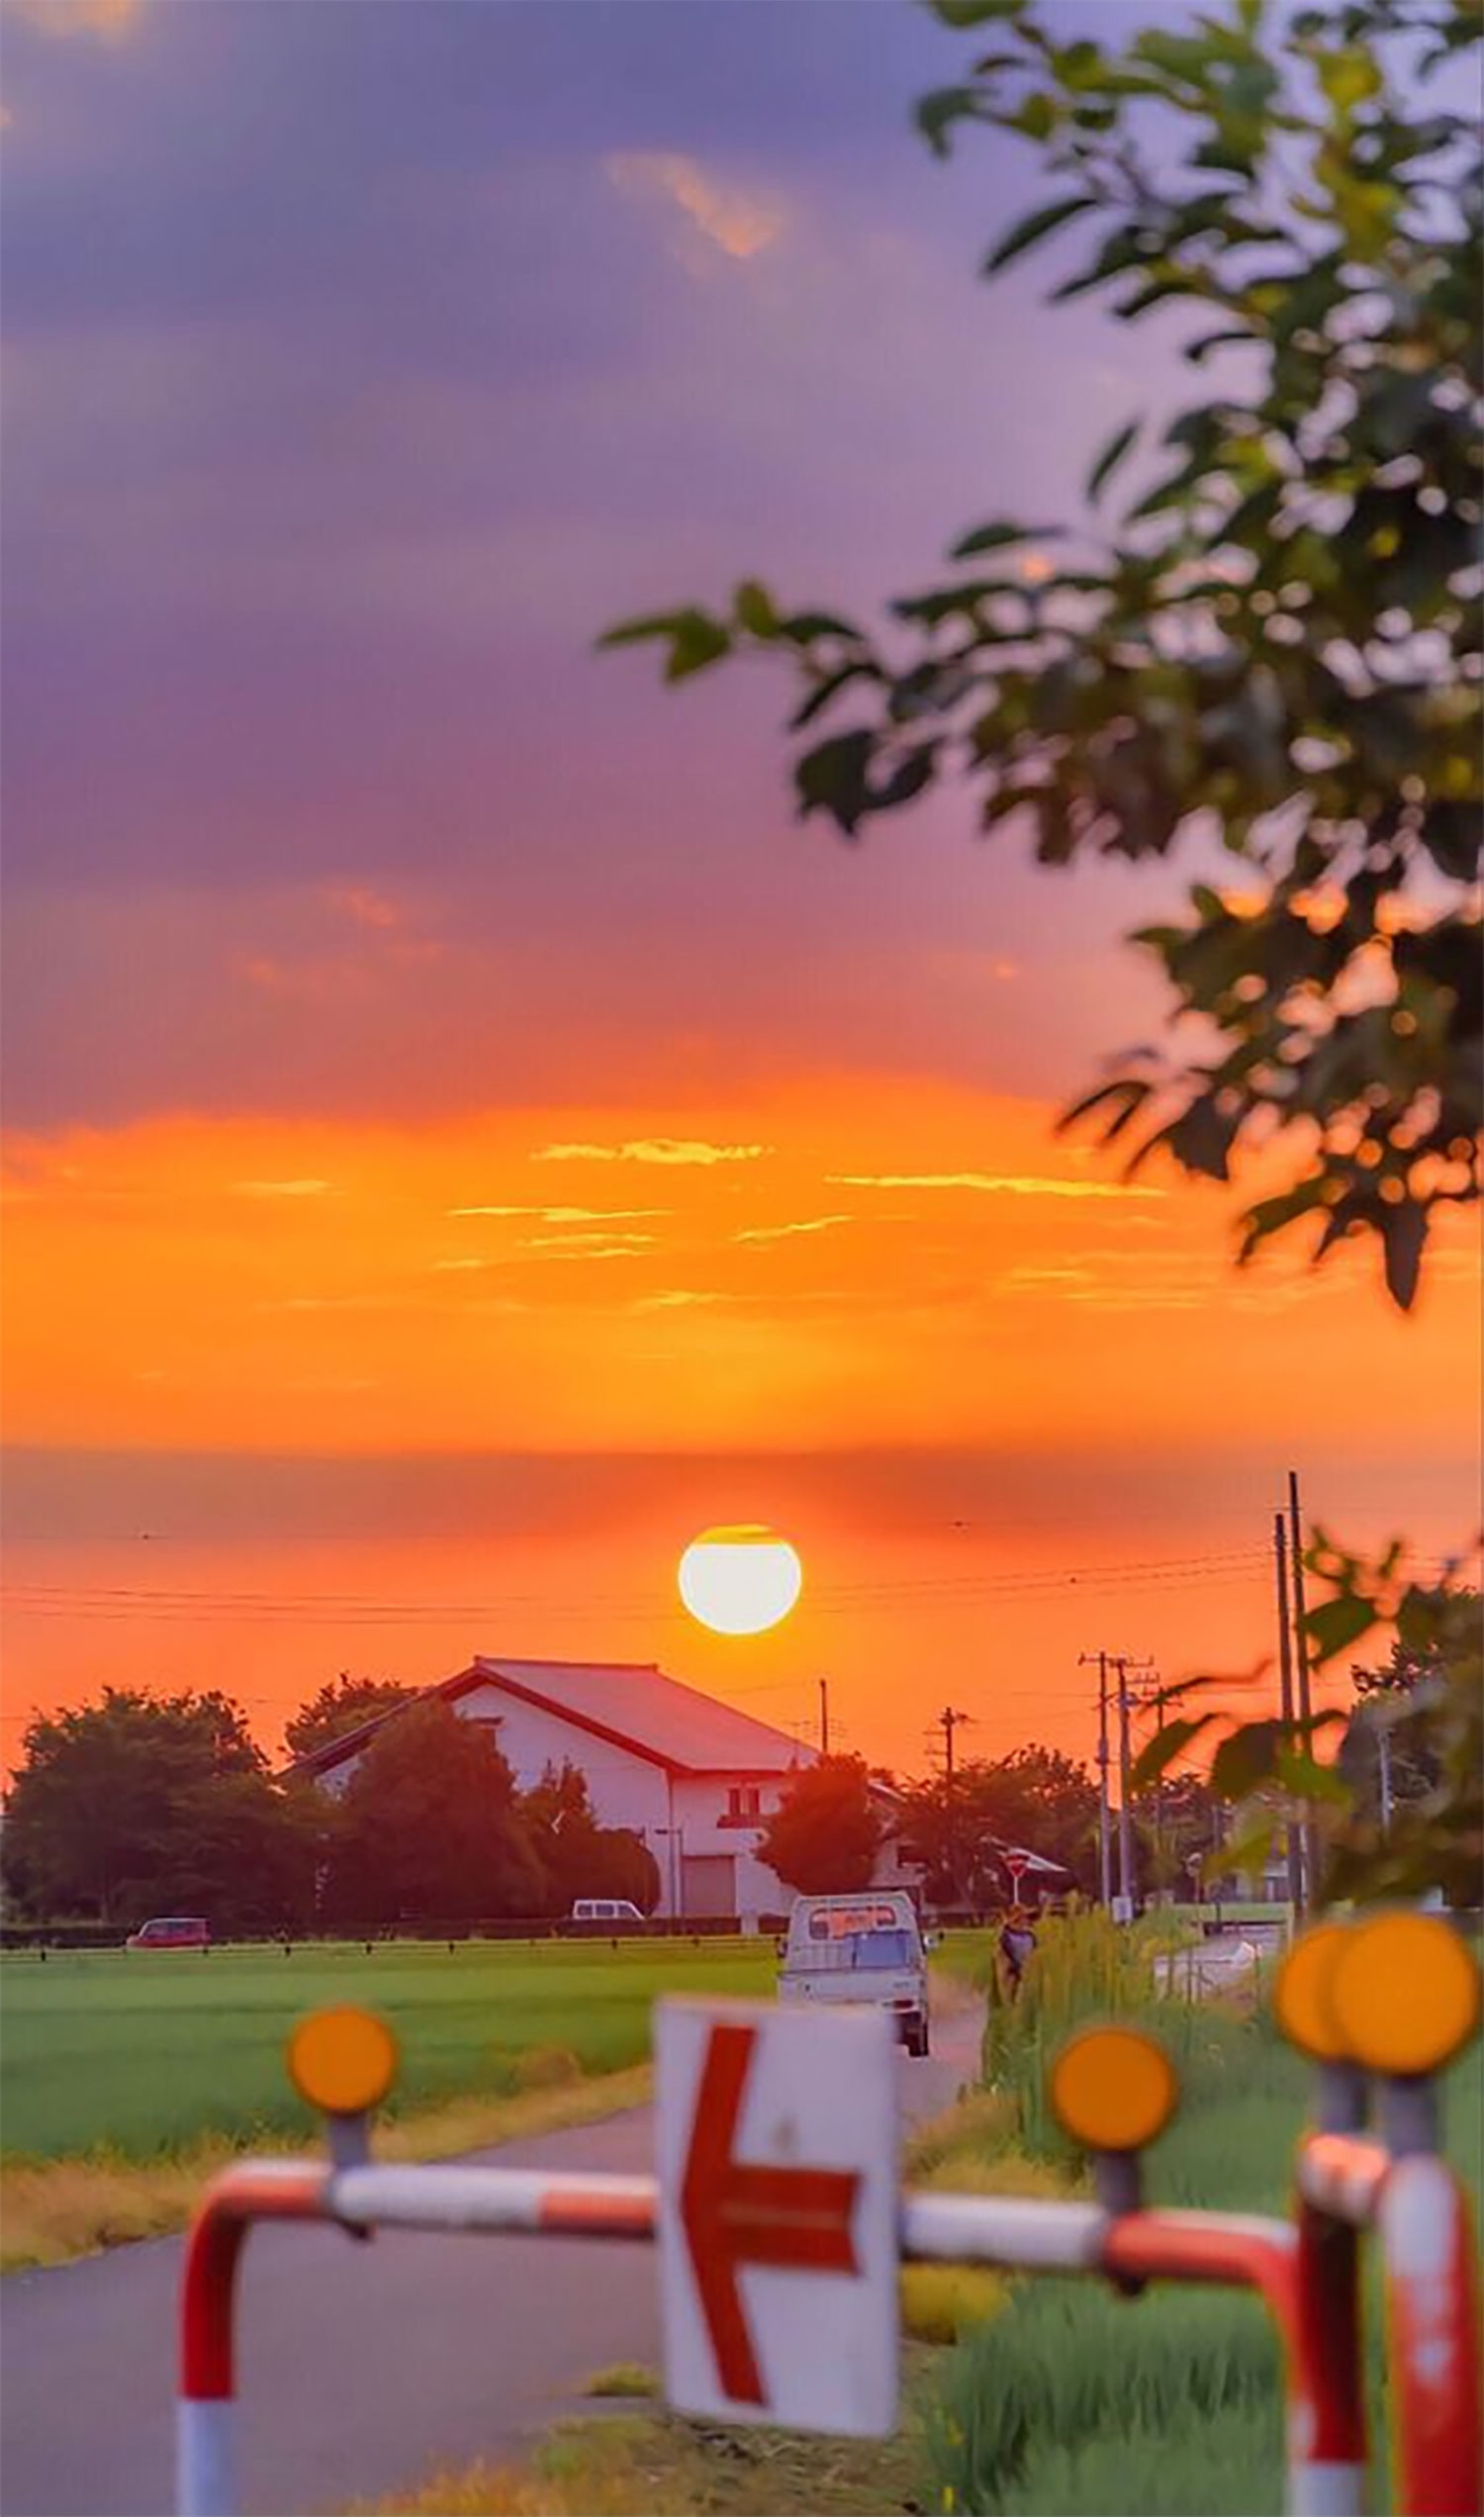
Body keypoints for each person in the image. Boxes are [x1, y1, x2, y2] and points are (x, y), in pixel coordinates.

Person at [998, 1905, 1037, 1998]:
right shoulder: (1006, 1937)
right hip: (1014, 1973)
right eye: (1024, 1917)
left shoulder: (1030, 1936)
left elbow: (1035, 1952)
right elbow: (1005, 1957)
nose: (1026, 1920)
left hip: (1029, 1971)